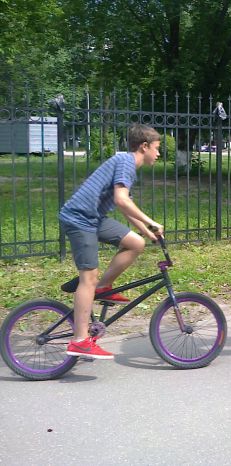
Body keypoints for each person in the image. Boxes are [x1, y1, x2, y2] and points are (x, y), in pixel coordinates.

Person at [59, 123, 164, 359]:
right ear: (144, 146)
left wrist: (147, 232)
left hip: (94, 217)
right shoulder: (126, 162)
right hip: (79, 219)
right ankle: (79, 340)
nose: (158, 154)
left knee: (136, 244)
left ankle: (104, 287)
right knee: (88, 277)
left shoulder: (127, 164)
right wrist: (152, 222)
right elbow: (121, 200)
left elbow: (126, 207)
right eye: (157, 148)